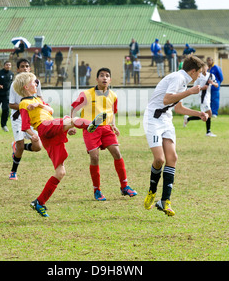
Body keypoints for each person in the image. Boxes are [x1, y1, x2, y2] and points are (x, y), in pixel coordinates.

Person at [13, 72, 107, 217]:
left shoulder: (37, 99)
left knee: (61, 172)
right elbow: (25, 126)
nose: (37, 84)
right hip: (44, 128)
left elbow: (50, 110)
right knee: (73, 119)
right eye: (34, 82)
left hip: (50, 133)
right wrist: (33, 136)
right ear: (26, 87)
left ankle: (39, 202)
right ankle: (89, 126)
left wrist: (40, 105)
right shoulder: (24, 104)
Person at [143, 55, 208, 217]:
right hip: (153, 119)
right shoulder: (178, 78)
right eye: (199, 73)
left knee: (172, 158)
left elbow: (177, 108)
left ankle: (165, 200)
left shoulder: (183, 80)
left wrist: (198, 113)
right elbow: (166, 100)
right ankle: (152, 191)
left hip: (166, 120)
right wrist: (189, 92)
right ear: (192, 71)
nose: (199, 76)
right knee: (159, 159)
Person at [71, 67, 137, 201]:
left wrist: (114, 125)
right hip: (91, 130)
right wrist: (71, 124)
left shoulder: (113, 95)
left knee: (117, 154)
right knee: (94, 158)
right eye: (101, 75)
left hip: (106, 129)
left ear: (110, 79)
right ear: (96, 79)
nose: (104, 78)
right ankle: (97, 190)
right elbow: (74, 108)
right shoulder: (86, 94)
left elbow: (112, 112)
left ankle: (124, 186)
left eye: (107, 76)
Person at [8, 59, 42, 180]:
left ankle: (16, 146)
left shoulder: (36, 82)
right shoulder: (15, 85)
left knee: (38, 147)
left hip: (32, 117)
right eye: (22, 66)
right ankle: (13, 172)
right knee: (20, 147)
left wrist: (41, 105)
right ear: (18, 69)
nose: (25, 68)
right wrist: (25, 106)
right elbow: (11, 104)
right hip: (18, 118)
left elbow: (39, 98)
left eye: (27, 66)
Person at [183, 63, 219, 136]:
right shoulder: (199, 77)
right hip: (202, 97)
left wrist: (212, 83)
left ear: (207, 68)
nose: (204, 69)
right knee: (209, 113)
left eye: (205, 67)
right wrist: (203, 88)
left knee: (205, 114)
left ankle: (188, 119)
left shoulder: (211, 76)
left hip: (208, 97)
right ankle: (208, 132)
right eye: (202, 68)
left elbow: (216, 85)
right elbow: (195, 88)